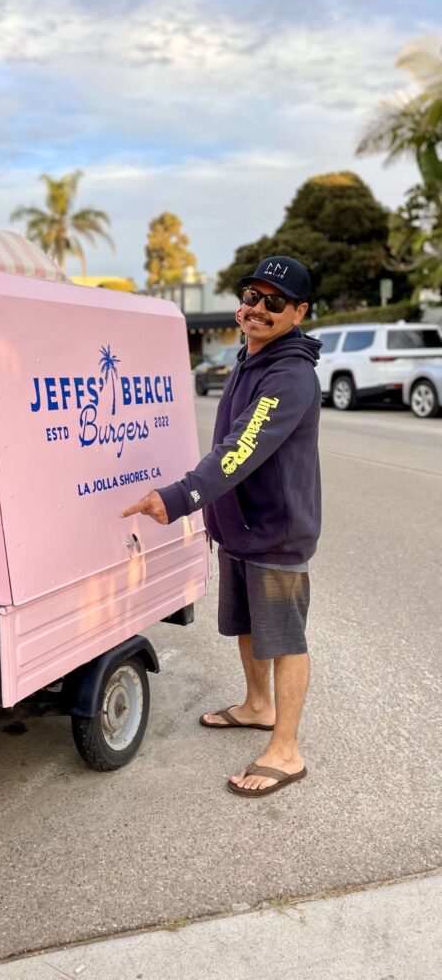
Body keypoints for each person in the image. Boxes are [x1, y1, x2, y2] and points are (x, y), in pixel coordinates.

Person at [121, 255, 322, 798]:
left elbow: (243, 446)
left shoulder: (290, 374)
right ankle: (258, 707)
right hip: (239, 527)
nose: (258, 309)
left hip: (276, 532)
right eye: (252, 296)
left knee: (284, 639)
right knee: (249, 625)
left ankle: (287, 748)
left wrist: (182, 496)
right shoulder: (250, 357)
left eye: (274, 303)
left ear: (299, 312)